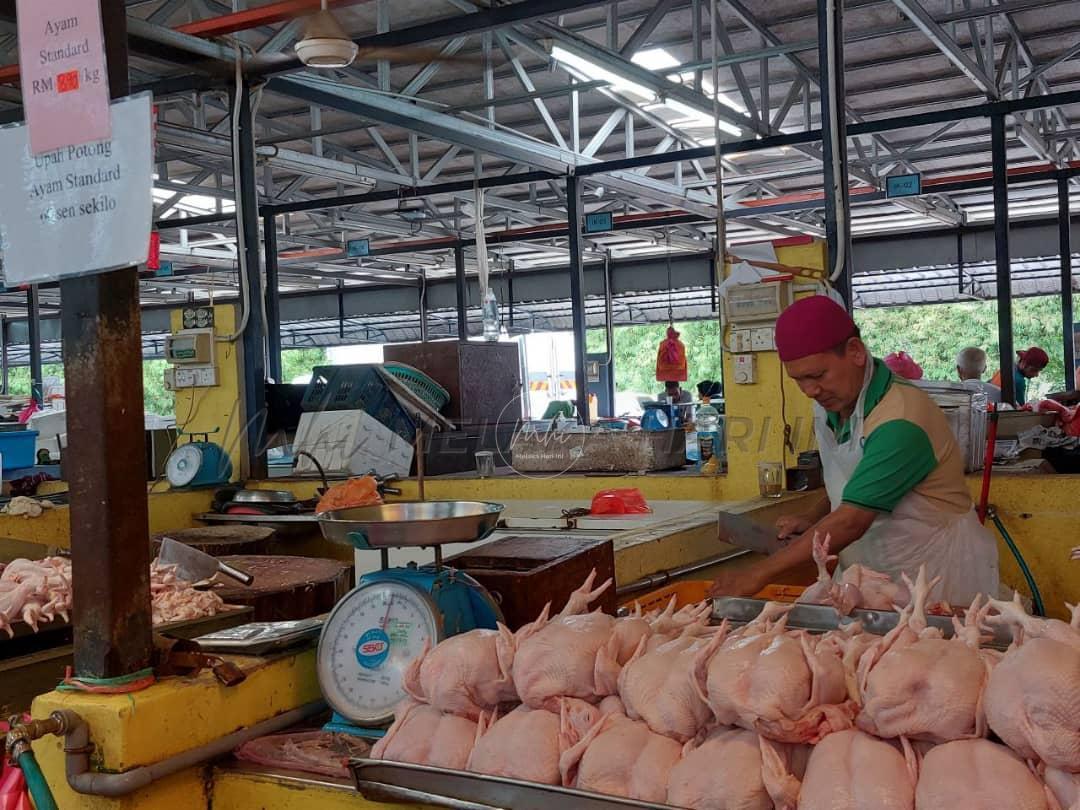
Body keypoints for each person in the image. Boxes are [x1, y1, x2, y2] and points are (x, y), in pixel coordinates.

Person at [707, 295, 999, 606]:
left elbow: (851, 520)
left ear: (856, 352)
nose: (810, 391)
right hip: (871, 579)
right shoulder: (837, 404)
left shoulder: (900, 418)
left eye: (818, 375)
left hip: (934, 576)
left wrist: (756, 575)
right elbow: (855, 477)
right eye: (798, 380)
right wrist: (813, 516)